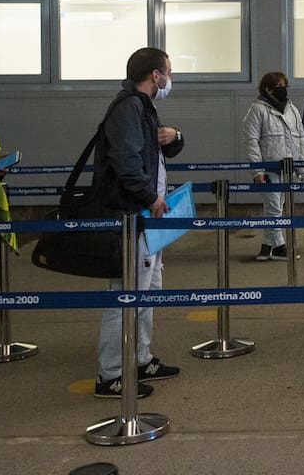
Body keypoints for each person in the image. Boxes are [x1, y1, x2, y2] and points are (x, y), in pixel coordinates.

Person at [92, 47, 184, 398]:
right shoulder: (128, 108)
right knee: (126, 293)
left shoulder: (144, 107)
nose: (169, 79)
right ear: (155, 75)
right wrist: (149, 197)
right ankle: (111, 373)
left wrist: (176, 136)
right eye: (168, 73)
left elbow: (157, 150)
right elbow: (126, 160)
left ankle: (140, 357)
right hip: (134, 215)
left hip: (150, 217)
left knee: (147, 290)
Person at [243, 71, 304, 261]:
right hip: (268, 167)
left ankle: (266, 247)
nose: (283, 89)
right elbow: (251, 141)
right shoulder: (257, 110)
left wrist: (302, 167)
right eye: (279, 86)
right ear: (268, 89)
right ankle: (280, 247)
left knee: (276, 208)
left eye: (284, 85)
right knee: (273, 207)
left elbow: (301, 138)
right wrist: (257, 170)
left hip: (288, 168)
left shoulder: (292, 110)